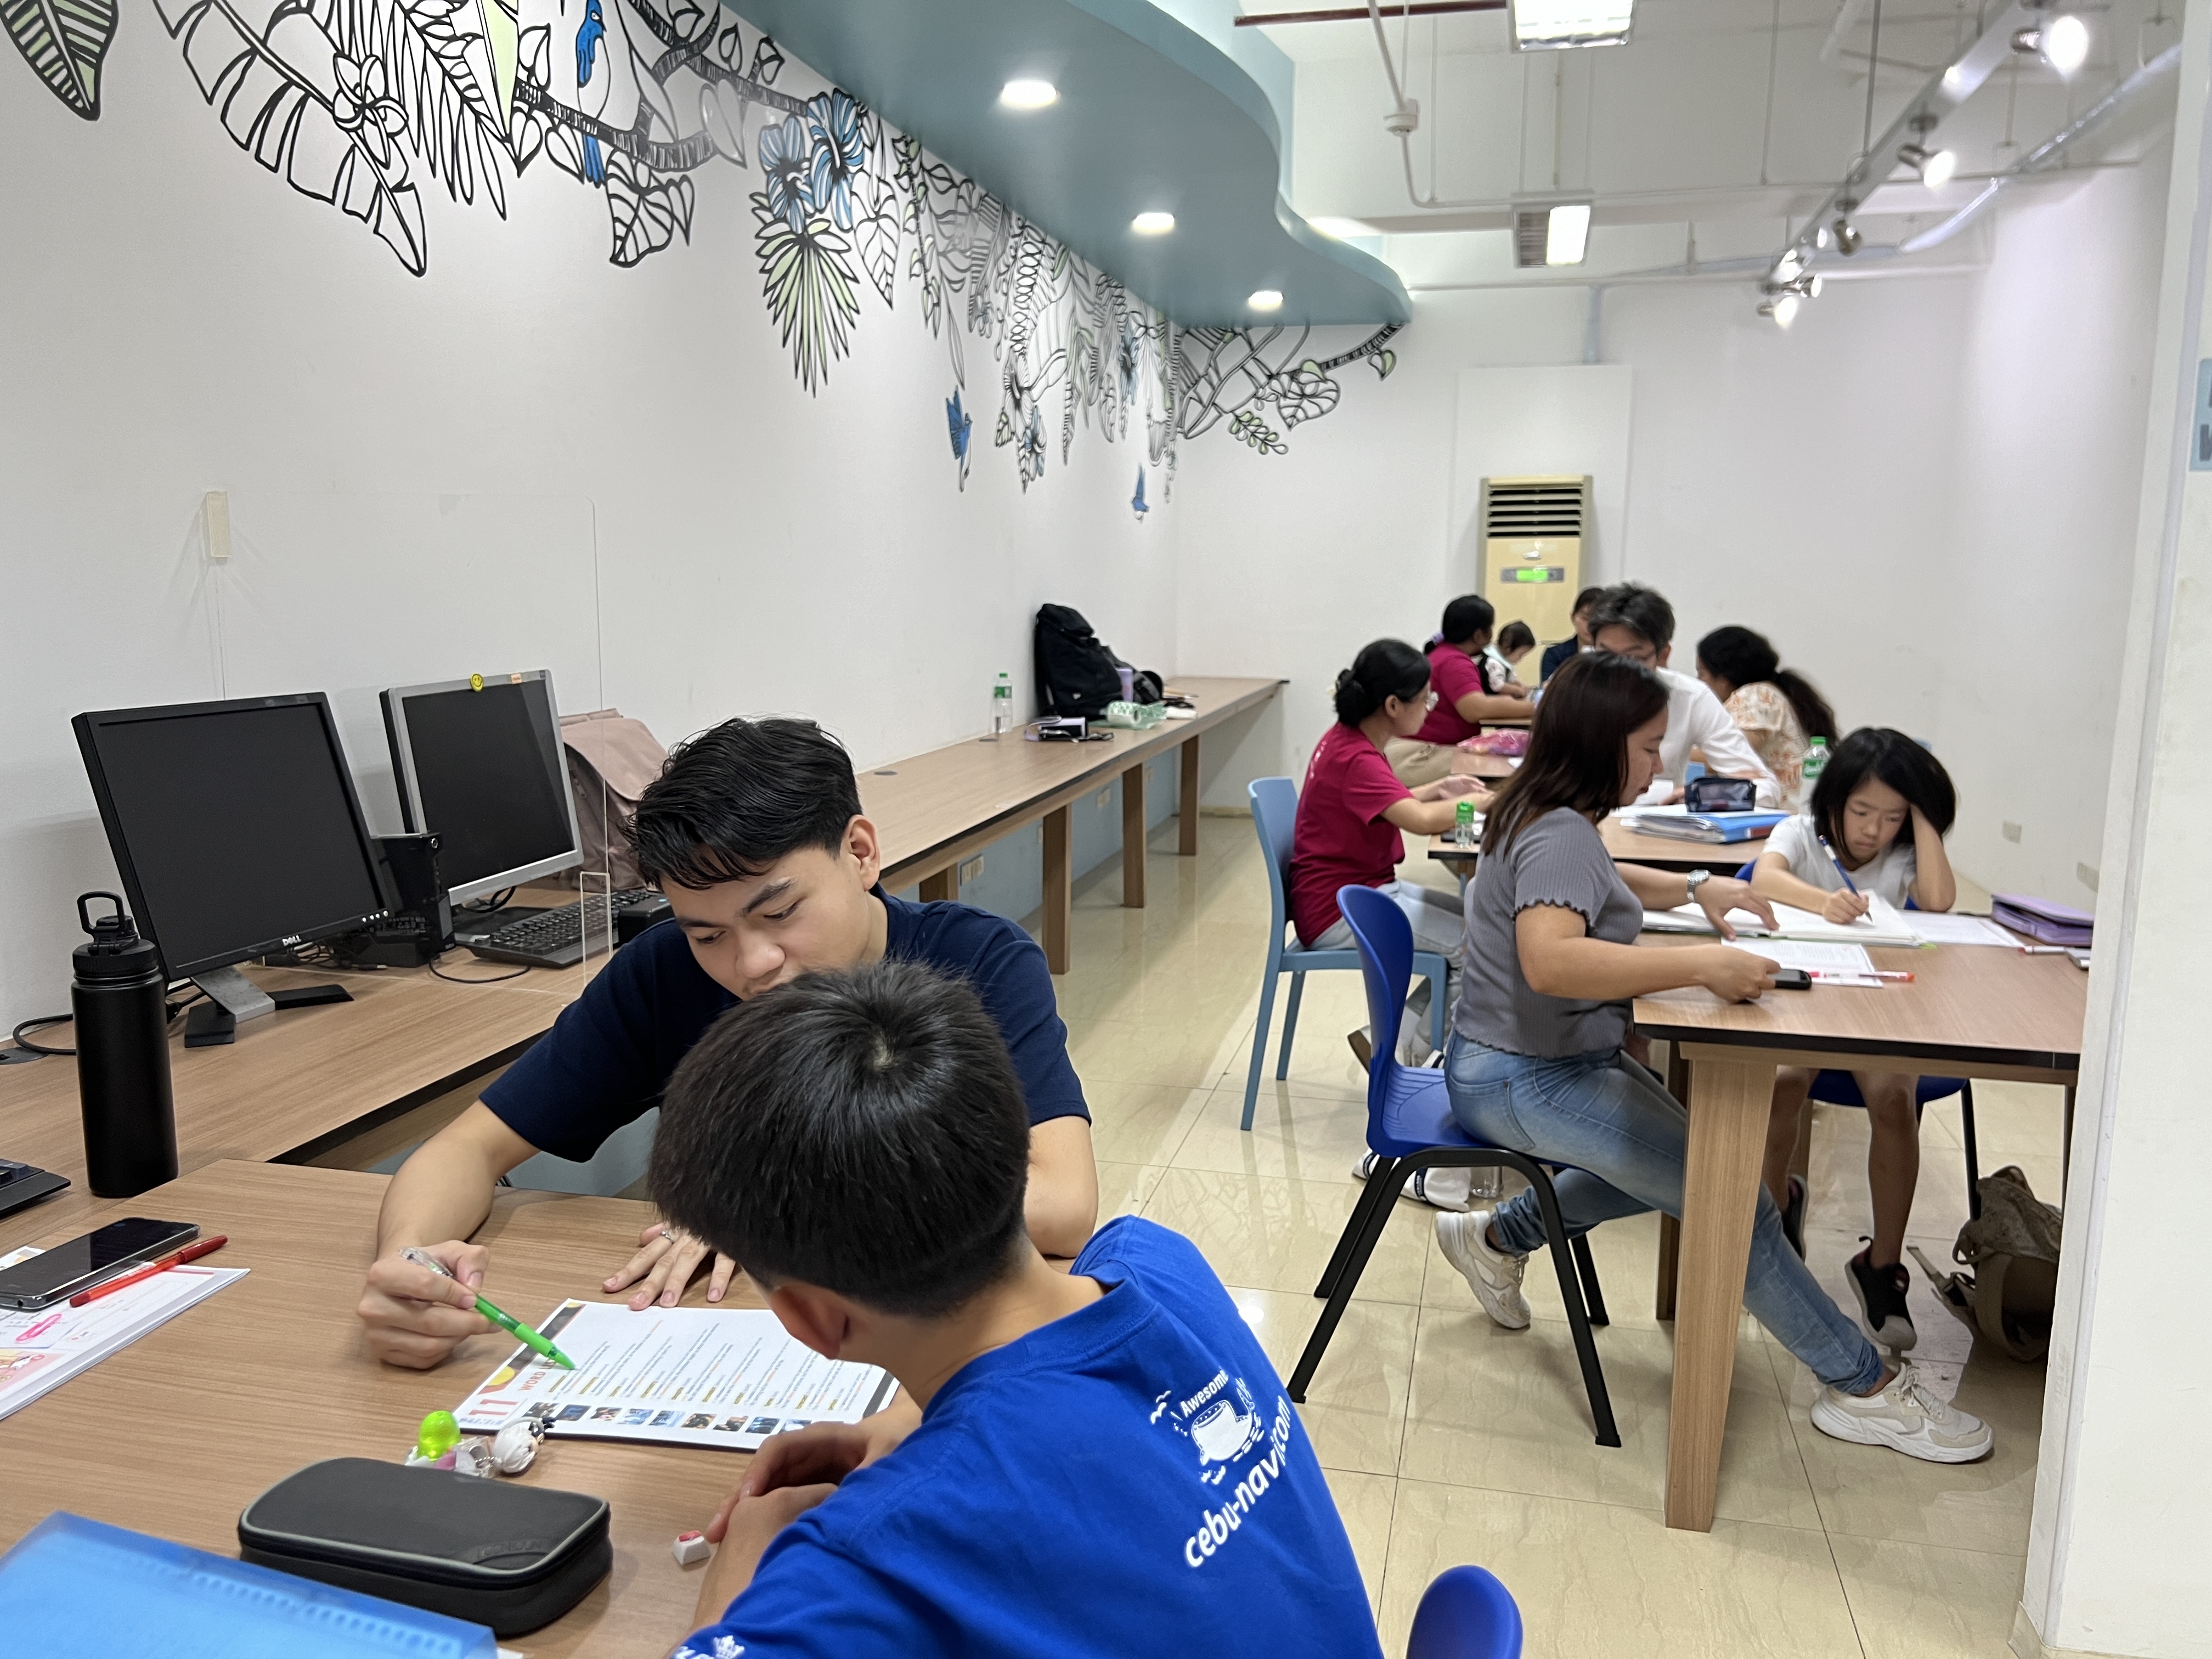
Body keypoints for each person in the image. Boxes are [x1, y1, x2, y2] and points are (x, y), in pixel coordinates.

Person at [657, 960, 1385, 1659]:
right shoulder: (1157, 1259)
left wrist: (744, 1563)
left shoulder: (874, 1550)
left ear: (811, 1319)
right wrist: (915, 1422)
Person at [354, 718, 1101, 1369]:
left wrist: (758, 1220)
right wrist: (409, 1265)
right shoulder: (663, 974)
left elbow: (1064, 1205)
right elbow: (467, 1150)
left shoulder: (979, 962)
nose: (752, 965)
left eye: (780, 913)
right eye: (708, 934)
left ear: (860, 852)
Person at [1431, 653, 1990, 1464]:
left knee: (1701, 1170)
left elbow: (1599, 878)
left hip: (1527, 1061)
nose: (1660, 764)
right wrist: (1702, 963)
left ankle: (1493, 1239)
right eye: (1647, 747)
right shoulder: (1558, 832)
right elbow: (1551, 961)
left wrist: (1697, 884)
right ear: (1599, 744)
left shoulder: (1545, 812)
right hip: (1524, 1074)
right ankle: (1863, 1387)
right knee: (1734, 1199)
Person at [1751, 727, 1959, 1350]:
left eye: (1893, 816)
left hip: (1877, 1002)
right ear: (1835, 799)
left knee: (1895, 1099)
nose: (1874, 830)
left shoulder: (1903, 853)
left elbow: (1940, 901)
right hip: (1808, 991)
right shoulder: (1801, 832)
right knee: (1785, 1081)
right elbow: (1765, 878)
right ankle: (1775, 1221)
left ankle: (1881, 1264)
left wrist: (1923, 815)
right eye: (1863, 811)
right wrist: (1823, 902)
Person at [1293, 638, 1488, 1064]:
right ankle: (1420, 1062)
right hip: (1339, 909)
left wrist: (1439, 787)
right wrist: (1487, 802)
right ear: (1394, 705)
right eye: (1426, 699)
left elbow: (1386, 802)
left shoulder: (1350, 740)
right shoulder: (1357, 757)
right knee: (1472, 947)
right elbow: (1419, 821)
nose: (1431, 708)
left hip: (1354, 890)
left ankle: (1393, 1041)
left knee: (1480, 928)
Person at [1585, 584, 1781, 808]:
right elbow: (1563, 784)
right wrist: (1667, 790)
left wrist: (1704, 795)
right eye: (1605, 656)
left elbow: (1766, 789)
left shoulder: (1690, 698)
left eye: (1634, 659)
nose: (1617, 671)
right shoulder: (1570, 690)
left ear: (1663, 655)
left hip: (1657, 823)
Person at [1384, 595, 1532, 788]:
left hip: (1414, 750)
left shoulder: (1442, 654)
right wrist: (1536, 708)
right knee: (1505, 769)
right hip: (1419, 755)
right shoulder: (1455, 662)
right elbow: (1476, 710)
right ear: (1479, 635)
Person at [1695, 625, 1839, 806]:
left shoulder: (1755, 696)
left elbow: (1729, 756)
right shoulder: (1772, 692)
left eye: (1702, 673)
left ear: (1724, 676)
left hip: (1783, 813)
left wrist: (1672, 750)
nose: (1698, 682)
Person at [1538, 585, 1605, 682]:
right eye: (1585, 618)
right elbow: (1548, 688)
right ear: (1573, 617)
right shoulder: (1556, 655)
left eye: (1597, 619)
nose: (1590, 626)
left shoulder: (1615, 654)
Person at [1488, 619, 1538, 686]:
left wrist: (1522, 685)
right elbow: (1498, 686)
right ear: (1507, 647)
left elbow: (1513, 678)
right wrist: (1518, 690)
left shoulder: (1504, 660)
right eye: (1521, 655)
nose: (1521, 659)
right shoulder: (1494, 663)